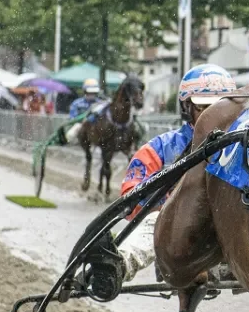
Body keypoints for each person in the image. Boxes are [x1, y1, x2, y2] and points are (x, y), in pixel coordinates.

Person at [87, 64, 236, 300]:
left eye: (220, 107)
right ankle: (116, 267)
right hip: (180, 241)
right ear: (187, 108)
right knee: (154, 221)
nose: (213, 115)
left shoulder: (244, 147)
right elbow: (132, 188)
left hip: (229, 242)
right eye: (203, 107)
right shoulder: (163, 147)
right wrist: (165, 210)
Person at [64, 79, 102, 143]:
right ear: (85, 92)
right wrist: (83, 121)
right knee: (70, 134)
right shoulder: (77, 103)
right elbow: (72, 118)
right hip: (80, 126)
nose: (92, 94)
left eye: (93, 93)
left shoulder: (101, 104)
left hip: (96, 126)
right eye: (89, 92)